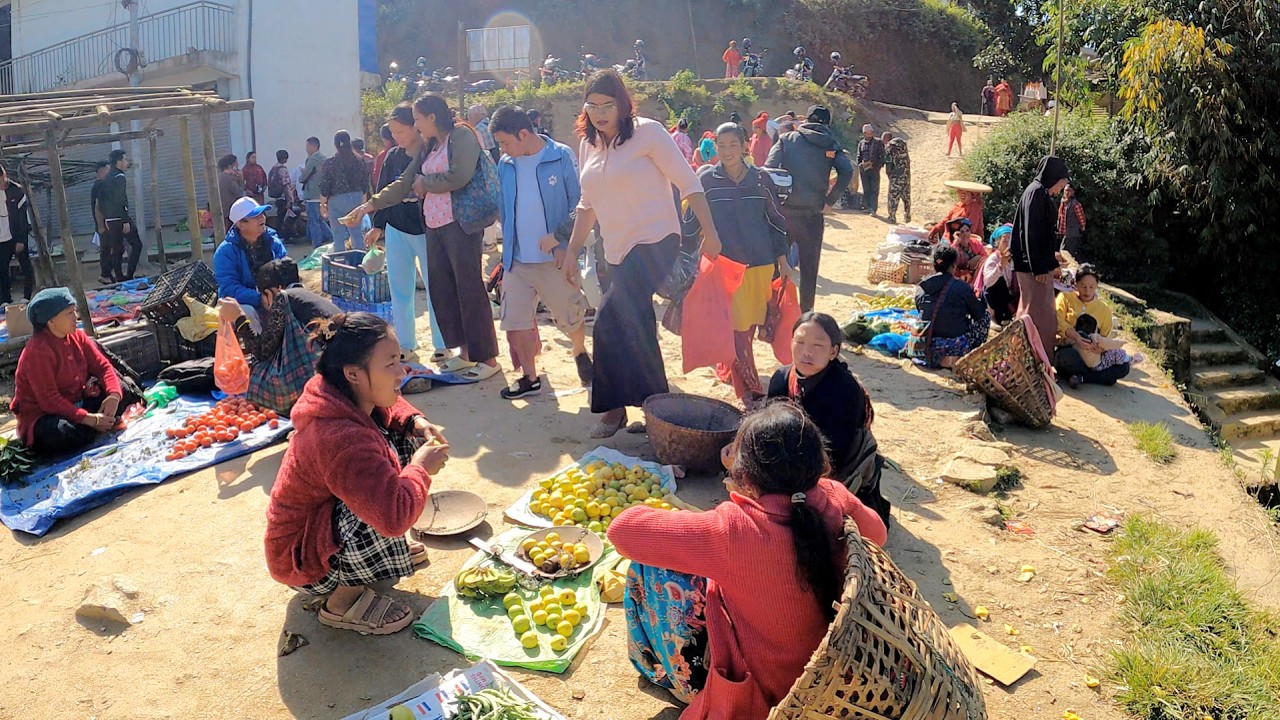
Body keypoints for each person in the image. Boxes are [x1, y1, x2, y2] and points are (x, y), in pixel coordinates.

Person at [609, 401, 887, 715]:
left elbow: (622, 530)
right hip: (837, 676)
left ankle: (667, 674)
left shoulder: (733, 529)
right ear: (817, 460)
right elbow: (877, 534)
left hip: (770, 693)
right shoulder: (833, 495)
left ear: (745, 472)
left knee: (653, 568)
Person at [264, 312, 450, 636]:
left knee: (402, 442)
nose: (402, 371)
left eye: (399, 359)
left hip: (317, 528)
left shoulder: (338, 391)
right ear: (352, 373)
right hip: (302, 561)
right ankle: (341, 603)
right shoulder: (340, 438)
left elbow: (389, 405)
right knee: (387, 502)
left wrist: (415, 421)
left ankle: (377, 559)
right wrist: (421, 468)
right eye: (390, 363)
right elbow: (393, 517)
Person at [561, 70, 724, 438]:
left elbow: (689, 183)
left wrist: (711, 232)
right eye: (592, 106)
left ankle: (614, 410)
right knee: (637, 324)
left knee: (607, 319)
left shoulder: (649, 133)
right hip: (615, 249)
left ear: (622, 104)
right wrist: (571, 250)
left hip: (655, 241)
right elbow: (587, 204)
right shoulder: (589, 145)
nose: (600, 113)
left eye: (607, 105)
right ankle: (657, 411)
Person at [347, 92, 502, 382]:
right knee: (445, 291)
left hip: (461, 225)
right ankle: (465, 354)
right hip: (434, 225)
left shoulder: (461, 136)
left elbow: (460, 175)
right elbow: (405, 182)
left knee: (469, 290)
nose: (416, 125)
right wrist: (368, 207)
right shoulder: (430, 144)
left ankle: (487, 358)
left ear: (433, 117)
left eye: (418, 119)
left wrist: (426, 183)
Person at [491, 105, 593, 399]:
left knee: (570, 315)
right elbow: (504, 207)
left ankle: (579, 351)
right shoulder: (506, 164)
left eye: (505, 142)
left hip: (554, 259)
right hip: (516, 260)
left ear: (524, 134)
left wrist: (562, 241)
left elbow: (581, 204)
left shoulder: (561, 156)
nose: (502, 149)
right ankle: (529, 377)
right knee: (515, 321)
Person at [767, 312, 892, 523]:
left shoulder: (845, 389)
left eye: (817, 345)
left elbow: (836, 452)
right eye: (800, 342)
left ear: (833, 351)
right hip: (791, 457)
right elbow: (766, 424)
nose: (807, 352)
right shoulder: (782, 378)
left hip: (832, 466)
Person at [699, 122, 791, 408]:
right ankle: (749, 390)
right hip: (725, 266)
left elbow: (776, 222)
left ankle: (729, 367)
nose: (727, 151)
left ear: (744, 146)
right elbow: (692, 222)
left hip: (760, 264)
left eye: (733, 145)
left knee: (747, 325)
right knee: (737, 327)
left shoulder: (761, 180)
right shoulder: (707, 180)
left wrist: (783, 261)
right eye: (721, 145)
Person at [362, 104, 448, 361]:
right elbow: (383, 191)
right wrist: (378, 225)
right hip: (397, 229)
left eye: (400, 131)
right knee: (400, 289)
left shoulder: (430, 153)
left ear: (415, 126)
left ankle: (442, 344)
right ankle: (406, 344)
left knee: (436, 288)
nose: (396, 136)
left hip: (427, 230)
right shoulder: (392, 156)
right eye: (393, 132)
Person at [11, 288, 141, 456]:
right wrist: (89, 419)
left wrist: (114, 396)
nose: (75, 317)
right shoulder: (37, 352)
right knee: (60, 432)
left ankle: (96, 425)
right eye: (69, 313)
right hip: (46, 415)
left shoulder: (77, 336)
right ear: (51, 321)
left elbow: (103, 367)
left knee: (122, 389)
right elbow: (50, 401)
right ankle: (97, 426)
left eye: (74, 311)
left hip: (78, 403)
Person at [766, 106, 853, 311]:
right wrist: (830, 201)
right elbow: (847, 171)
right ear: (827, 123)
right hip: (813, 214)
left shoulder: (787, 139)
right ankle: (806, 313)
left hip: (785, 213)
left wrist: (775, 201)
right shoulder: (831, 144)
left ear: (806, 119)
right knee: (809, 268)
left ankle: (771, 308)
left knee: (774, 263)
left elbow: (769, 169)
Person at [220, 257, 340, 362]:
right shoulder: (304, 297)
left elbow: (262, 352)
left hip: (335, 366)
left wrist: (239, 319)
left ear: (269, 293)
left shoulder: (283, 298)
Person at [1012, 156, 1070, 353]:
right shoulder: (1036, 193)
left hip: (1034, 264)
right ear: (1053, 178)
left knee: (1031, 312)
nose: (1060, 190)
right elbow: (1032, 234)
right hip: (1032, 268)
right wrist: (1038, 268)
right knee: (1040, 316)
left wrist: (1051, 262)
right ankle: (1037, 358)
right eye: (1060, 185)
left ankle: (1028, 356)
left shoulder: (1038, 192)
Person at [214, 197, 288, 331]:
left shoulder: (274, 242)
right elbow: (229, 289)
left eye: (262, 214)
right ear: (240, 224)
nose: (262, 218)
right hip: (245, 303)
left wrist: (277, 294)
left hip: (274, 297)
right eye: (255, 216)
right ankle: (257, 343)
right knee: (247, 312)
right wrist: (260, 298)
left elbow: (286, 270)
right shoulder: (225, 252)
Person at [1054, 264, 1132, 387]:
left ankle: (1082, 377)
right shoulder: (1065, 298)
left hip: (1095, 357)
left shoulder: (1104, 309)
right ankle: (1097, 377)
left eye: (1091, 287)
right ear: (1076, 284)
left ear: (1096, 286)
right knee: (1065, 357)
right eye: (1083, 286)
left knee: (1124, 367)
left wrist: (1100, 348)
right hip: (1070, 350)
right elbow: (1057, 320)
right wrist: (1076, 337)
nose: (1087, 291)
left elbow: (1106, 337)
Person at [914, 245, 990, 369]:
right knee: (985, 317)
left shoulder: (921, 287)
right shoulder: (962, 287)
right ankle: (969, 353)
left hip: (924, 346)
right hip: (954, 347)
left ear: (934, 264)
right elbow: (979, 314)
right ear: (954, 266)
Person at [319, 130, 372, 252]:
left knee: (338, 235)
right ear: (349, 143)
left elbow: (324, 186)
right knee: (357, 233)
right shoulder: (359, 160)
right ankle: (360, 258)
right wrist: (363, 202)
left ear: (335, 144)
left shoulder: (330, 163)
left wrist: (323, 204)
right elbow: (364, 183)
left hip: (336, 200)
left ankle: (340, 259)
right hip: (357, 198)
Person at [97, 149, 144, 282]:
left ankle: (119, 276)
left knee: (117, 248)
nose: (127, 162)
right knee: (137, 245)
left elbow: (101, 201)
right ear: (119, 162)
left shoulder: (107, 178)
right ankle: (129, 274)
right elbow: (121, 199)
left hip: (110, 220)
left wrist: (106, 218)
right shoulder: (119, 177)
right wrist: (125, 220)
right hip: (120, 218)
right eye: (125, 160)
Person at [1, 165, 36, 304]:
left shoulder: (17, 191)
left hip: (17, 234)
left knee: (25, 264)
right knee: (2, 268)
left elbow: (23, 217)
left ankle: (26, 296)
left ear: (4, 175)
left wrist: (21, 239)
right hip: (2, 237)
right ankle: (5, 299)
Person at [977, 227, 1018, 324]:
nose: (1008, 243)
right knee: (999, 282)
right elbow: (988, 282)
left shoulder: (1015, 259)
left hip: (1010, 297)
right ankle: (992, 317)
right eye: (1005, 240)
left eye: (1010, 240)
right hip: (995, 298)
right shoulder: (993, 259)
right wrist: (1000, 267)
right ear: (998, 243)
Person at [299, 136, 332, 249]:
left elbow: (303, 177)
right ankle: (332, 237)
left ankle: (317, 245)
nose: (306, 149)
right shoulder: (325, 159)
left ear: (312, 146)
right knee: (320, 220)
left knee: (313, 221)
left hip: (312, 195)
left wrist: (302, 173)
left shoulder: (312, 160)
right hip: (323, 195)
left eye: (307, 146)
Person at [266, 150, 298, 241]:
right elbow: (286, 185)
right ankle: (286, 236)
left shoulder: (273, 169)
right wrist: (290, 200)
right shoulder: (283, 170)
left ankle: (280, 235)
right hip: (284, 197)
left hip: (277, 196)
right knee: (288, 217)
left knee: (280, 217)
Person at [882, 131, 911, 225]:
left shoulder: (890, 147)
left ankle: (892, 216)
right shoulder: (903, 145)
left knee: (893, 197)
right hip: (906, 175)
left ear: (886, 139)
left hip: (896, 177)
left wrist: (889, 175)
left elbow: (889, 164)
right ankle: (907, 215)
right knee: (906, 196)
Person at [89, 160, 111, 282]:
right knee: (106, 250)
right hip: (103, 223)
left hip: (103, 223)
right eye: (108, 169)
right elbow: (97, 207)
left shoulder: (98, 185)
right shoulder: (100, 185)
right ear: (101, 170)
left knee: (108, 249)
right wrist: (101, 225)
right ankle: (105, 275)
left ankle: (107, 274)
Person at [856, 124, 885, 216]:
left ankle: (873, 209)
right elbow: (859, 156)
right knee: (866, 189)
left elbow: (882, 156)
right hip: (864, 170)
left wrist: (877, 166)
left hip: (874, 170)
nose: (868, 135)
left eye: (870, 133)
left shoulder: (878, 142)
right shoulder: (861, 143)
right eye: (867, 133)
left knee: (874, 190)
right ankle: (868, 207)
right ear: (864, 134)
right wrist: (860, 165)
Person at [217, 154, 247, 229]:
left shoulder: (220, 176)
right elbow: (239, 193)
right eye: (236, 163)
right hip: (230, 211)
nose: (238, 165)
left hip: (223, 210)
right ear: (230, 165)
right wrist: (241, 180)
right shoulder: (229, 178)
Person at [1058, 183, 1087, 258]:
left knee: (1064, 252)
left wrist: (1082, 227)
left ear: (1073, 192)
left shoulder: (1076, 204)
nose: (1067, 192)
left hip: (1072, 234)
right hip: (1064, 233)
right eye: (1065, 190)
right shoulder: (1063, 202)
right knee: (1067, 254)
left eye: (1069, 191)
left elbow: (1081, 219)